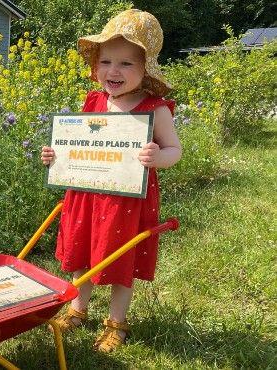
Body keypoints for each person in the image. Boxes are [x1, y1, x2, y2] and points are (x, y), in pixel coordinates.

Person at [40, 9, 182, 353]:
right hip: (87, 194)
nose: (113, 71)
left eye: (126, 64)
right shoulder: (94, 100)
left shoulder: (154, 108)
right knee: (81, 253)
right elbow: (80, 144)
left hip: (126, 199)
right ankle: (78, 309)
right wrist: (57, 156)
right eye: (105, 61)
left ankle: (116, 323)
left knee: (120, 259)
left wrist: (157, 157)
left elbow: (175, 149)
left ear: (145, 68)